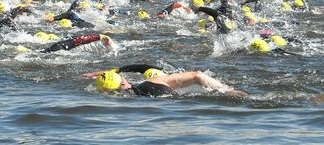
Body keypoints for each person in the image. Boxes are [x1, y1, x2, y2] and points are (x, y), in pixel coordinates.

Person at [91, 69, 247, 98]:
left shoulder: (128, 101)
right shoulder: (150, 81)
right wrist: (226, 90)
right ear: (123, 80)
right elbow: (196, 75)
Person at [41, 33, 114, 53]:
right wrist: (100, 36)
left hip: (58, 46)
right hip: (59, 47)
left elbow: (79, 38)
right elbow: (80, 39)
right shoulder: (60, 48)